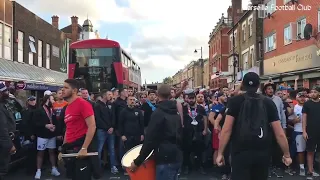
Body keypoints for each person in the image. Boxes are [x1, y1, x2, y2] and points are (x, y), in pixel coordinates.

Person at [216, 72, 292, 180]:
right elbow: (279, 133)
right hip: (262, 151)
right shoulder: (268, 103)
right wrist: (287, 154)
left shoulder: (235, 101)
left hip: (240, 152)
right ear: (258, 85)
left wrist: (220, 153)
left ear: (243, 84)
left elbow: (226, 129)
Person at [129, 84, 183, 180]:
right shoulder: (176, 112)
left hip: (164, 158)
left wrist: (138, 162)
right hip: (176, 156)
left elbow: (150, 139)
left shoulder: (158, 113)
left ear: (158, 94)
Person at [61, 79, 99, 180]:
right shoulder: (68, 107)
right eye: (62, 87)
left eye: (66, 87)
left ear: (74, 90)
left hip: (80, 149)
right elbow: (68, 129)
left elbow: (92, 126)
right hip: (70, 150)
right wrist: (63, 149)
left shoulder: (83, 104)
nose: (62, 90)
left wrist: (84, 148)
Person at [94, 90, 118, 174]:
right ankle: (98, 167)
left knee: (112, 149)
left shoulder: (111, 105)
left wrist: (112, 127)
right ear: (104, 95)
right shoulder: (97, 105)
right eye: (109, 94)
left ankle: (113, 166)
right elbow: (98, 119)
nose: (110, 96)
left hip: (111, 130)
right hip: (102, 130)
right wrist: (107, 127)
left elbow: (114, 116)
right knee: (99, 149)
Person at [302, 86, 320, 179]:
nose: (313, 93)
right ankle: (310, 170)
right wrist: (304, 131)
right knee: (310, 151)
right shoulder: (307, 104)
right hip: (311, 131)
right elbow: (304, 118)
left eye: (315, 92)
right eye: (312, 92)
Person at [0, 83, 16, 180]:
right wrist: (9, 145)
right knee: (2, 169)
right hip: (3, 143)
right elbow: (2, 128)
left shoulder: (3, 104)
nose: (7, 93)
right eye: (5, 91)